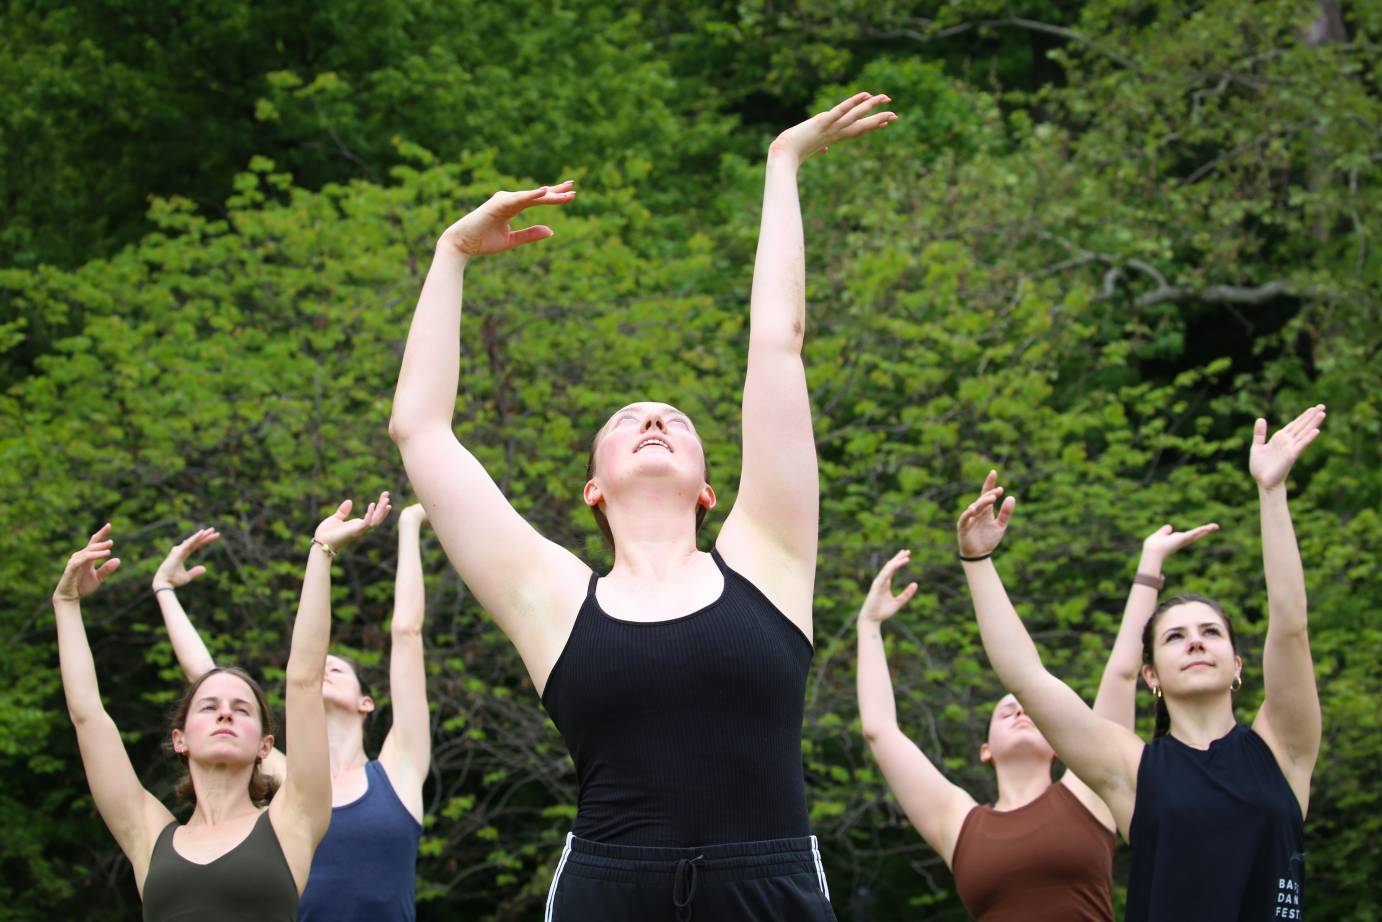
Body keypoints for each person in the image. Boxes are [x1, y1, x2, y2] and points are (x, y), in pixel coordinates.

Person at [389, 92, 896, 921]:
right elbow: (420, 430)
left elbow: (778, 342)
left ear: (708, 488)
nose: (654, 419)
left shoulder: (768, 558)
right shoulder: (549, 597)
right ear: (594, 486)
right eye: (627, 421)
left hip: (768, 889)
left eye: (676, 421)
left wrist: (783, 162)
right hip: (609, 893)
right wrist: (451, 253)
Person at [958, 405, 1324, 920]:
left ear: (1238, 665)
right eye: (1175, 636)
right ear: (1150, 674)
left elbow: (1290, 624)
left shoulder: (1282, 747)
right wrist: (978, 562)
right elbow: (1025, 675)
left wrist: (1272, 492)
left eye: (1210, 632)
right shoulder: (1133, 772)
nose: (1196, 643)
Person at [856, 516, 1216, 920]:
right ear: (986, 750)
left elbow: (1123, 673)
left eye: (1027, 709)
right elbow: (880, 732)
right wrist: (869, 625)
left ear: (1059, 743)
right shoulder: (956, 822)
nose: (1019, 710)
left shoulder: (1090, 788)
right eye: (1005, 710)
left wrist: (1150, 567)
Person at [53, 494, 390, 921]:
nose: (226, 714)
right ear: (180, 739)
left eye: (242, 709)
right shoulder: (148, 834)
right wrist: (66, 604)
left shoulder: (293, 821)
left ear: (266, 746)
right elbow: (87, 716)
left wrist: (321, 553)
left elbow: (303, 679)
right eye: (209, 707)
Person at [150, 502, 431, 922]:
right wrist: (165, 589)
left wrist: (411, 523)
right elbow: (206, 678)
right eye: (319, 665)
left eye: (336, 668)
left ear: (364, 703)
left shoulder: (399, 773)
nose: (322, 669)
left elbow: (406, 632)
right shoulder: (285, 776)